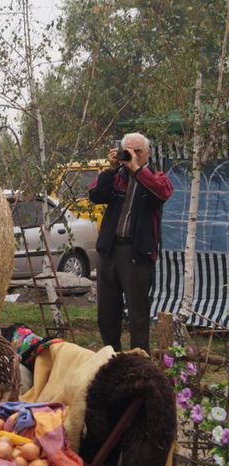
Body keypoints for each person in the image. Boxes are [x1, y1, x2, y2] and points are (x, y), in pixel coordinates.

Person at [88, 132, 172, 353]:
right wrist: (111, 166)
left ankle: (139, 364)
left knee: (138, 315)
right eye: (129, 151)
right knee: (106, 314)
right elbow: (96, 195)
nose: (133, 155)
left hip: (136, 255)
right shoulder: (116, 176)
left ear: (147, 154)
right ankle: (111, 359)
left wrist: (137, 169)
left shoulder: (156, 177)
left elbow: (163, 193)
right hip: (109, 252)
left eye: (138, 151)